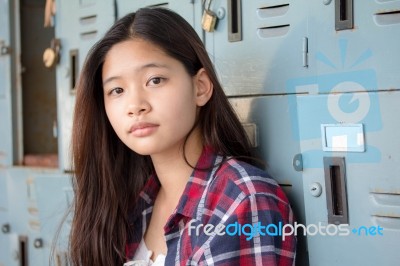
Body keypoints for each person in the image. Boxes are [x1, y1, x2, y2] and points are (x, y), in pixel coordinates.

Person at [69, 7, 296, 266]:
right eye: (117, 89)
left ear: (200, 87)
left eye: (155, 80)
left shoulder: (242, 199)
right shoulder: (131, 204)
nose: (135, 105)